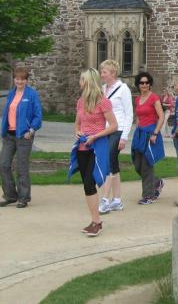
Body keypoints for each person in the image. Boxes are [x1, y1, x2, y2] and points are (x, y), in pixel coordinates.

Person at [71, 68, 118, 237]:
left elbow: (114, 126)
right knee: (87, 184)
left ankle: (97, 222)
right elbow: (77, 124)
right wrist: (77, 132)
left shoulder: (103, 102)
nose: (80, 82)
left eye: (82, 79)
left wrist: (95, 136)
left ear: (89, 82)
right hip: (82, 147)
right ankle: (95, 221)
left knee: (91, 181)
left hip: (97, 147)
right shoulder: (81, 101)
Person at [0, 66, 42, 208]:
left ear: (26, 80)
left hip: (24, 136)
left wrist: (32, 130)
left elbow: (38, 115)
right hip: (9, 135)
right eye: (17, 79)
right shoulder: (11, 93)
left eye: (22, 79)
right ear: (14, 80)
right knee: (3, 164)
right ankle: (10, 195)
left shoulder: (32, 94)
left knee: (21, 167)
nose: (19, 81)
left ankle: (23, 197)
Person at [98, 60, 133, 214]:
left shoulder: (123, 89)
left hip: (118, 129)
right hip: (105, 130)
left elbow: (129, 114)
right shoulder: (102, 89)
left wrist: (124, 137)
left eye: (104, 72)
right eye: (101, 71)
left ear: (113, 73)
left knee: (108, 161)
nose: (102, 74)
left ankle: (105, 199)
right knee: (113, 164)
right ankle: (117, 200)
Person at [131, 72, 166, 205]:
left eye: (147, 82)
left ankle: (148, 196)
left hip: (151, 133)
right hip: (140, 134)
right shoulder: (137, 99)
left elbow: (161, 116)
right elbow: (138, 116)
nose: (144, 85)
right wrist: (137, 127)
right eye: (142, 83)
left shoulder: (154, 98)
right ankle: (156, 182)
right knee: (137, 164)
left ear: (150, 84)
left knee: (146, 165)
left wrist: (155, 133)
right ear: (138, 84)